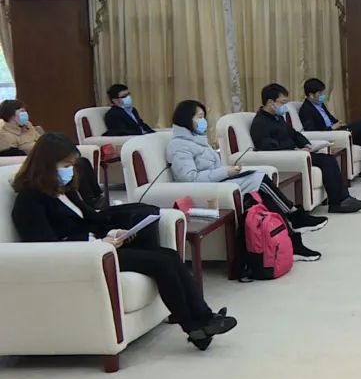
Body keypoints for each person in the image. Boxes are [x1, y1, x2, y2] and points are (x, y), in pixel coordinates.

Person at [11, 133, 238, 351]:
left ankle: (203, 320)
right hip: (81, 258)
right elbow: (45, 243)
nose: (70, 171)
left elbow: (89, 220)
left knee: (168, 255)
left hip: (100, 248)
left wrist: (113, 232)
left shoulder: (64, 191)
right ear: (46, 165)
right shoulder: (29, 200)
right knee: (161, 263)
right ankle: (196, 325)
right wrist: (97, 242)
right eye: (65, 165)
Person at [167, 100, 325, 261]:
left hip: (218, 182)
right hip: (209, 189)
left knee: (262, 182)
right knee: (260, 181)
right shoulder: (179, 146)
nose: (203, 121)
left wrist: (228, 171)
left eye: (203, 117)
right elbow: (189, 178)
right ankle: (294, 218)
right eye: (199, 117)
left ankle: (289, 235)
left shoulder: (197, 139)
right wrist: (225, 171)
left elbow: (211, 167)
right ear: (187, 119)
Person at [250, 83, 361, 213]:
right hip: (287, 157)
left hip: (298, 154)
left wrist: (306, 144)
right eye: (282, 103)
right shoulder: (260, 122)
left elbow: (294, 134)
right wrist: (295, 151)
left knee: (328, 159)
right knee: (326, 161)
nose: (285, 107)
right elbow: (268, 146)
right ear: (270, 102)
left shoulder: (277, 117)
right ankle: (338, 202)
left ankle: (343, 199)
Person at [0, 99, 104, 206]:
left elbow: (43, 142)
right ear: (11, 115)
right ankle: (89, 201)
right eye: (21, 111)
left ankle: (97, 196)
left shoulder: (28, 126)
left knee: (83, 161)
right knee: (77, 166)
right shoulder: (4, 135)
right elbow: (11, 154)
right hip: (37, 162)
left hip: (49, 156)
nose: (25, 114)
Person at [298, 78, 361, 183]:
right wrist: (331, 128)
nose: (323, 96)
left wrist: (338, 123)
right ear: (311, 95)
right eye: (320, 93)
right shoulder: (306, 110)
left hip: (338, 131)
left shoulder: (320, 105)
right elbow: (312, 131)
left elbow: (331, 120)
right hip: (331, 135)